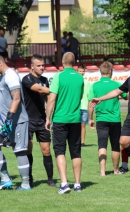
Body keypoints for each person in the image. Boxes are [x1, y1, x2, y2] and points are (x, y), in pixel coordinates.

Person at [0, 53, 30, 191]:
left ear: (0, 63)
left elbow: (16, 98)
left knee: (19, 151)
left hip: (17, 121)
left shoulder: (10, 75)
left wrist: (10, 118)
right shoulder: (4, 76)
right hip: (5, 121)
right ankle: (5, 180)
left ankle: (25, 184)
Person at [45, 52, 84, 194]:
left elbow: (51, 99)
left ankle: (64, 183)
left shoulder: (58, 76)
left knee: (60, 151)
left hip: (60, 119)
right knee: (76, 152)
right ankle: (78, 184)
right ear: (74, 62)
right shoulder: (80, 78)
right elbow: (79, 97)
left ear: (62, 61)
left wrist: (48, 118)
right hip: (75, 119)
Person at [88, 61, 127, 176]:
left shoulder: (94, 85)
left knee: (102, 145)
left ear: (100, 72)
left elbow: (91, 103)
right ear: (111, 71)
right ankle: (115, 170)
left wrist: (90, 118)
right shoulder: (116, 85)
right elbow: (125, 96)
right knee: (115, 145)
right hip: (115, 119)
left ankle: (103, 171)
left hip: (101, 119)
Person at [22, 54, 55, 188]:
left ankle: (50, 179)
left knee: (46, 150)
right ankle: (29, 178)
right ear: (32, 66)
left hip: (42, 120)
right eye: (39, 65)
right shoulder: (27, 79)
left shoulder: (45, 80)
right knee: (28, 150)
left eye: (43, 65)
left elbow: (48, 100)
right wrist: (57, 90)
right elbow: (39, 89)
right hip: (28, 120)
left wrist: (48, 117)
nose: (42, 68)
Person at [77, 65, 91, 147]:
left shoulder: (87, 82)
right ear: (77, 71)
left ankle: (82, 142)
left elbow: (89, 95)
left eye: (83, 71)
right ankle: (76, 141)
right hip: (77, 106)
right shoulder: (74, 81)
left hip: (84, 106)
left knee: (83, 125)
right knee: (75, 125)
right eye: (80, 71)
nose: (81, 73)